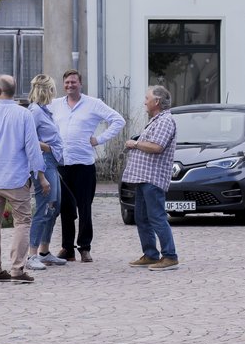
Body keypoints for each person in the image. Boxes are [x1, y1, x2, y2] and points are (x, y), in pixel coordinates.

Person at [0, 74, 50, 283]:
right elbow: (33, 149)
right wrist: (40, 176)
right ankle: (17, 268)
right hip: (16, 178)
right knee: (23, 222)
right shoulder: (23, 115)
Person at [48, 69, 126, 263]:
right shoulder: (55, 105)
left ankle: (84, 247)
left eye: (73, 82)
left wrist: (99, 139)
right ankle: (67, 248)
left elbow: (118, 120)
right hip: (62, 163)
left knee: (84, 207)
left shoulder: (93, 104)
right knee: (65, 207)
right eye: (67, 83)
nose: (70, 85)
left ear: (80, 84)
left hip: (84, 163)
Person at [123, 85, 180, 271]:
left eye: (147, 98)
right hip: (143, 177)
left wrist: (136, 144)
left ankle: (170, 256)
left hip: (153, 178)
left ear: (156, 101)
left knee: (156, 217)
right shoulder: (156, 120)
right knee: (141, 217)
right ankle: (150, 254)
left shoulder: (165, 121)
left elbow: (157, 147)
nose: (145, 102)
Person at [24, 74, 66, 270]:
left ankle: (44, 251)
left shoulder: (43, 111)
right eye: (52, 89)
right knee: (44, 207)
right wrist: (48, 150)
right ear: (46, 90)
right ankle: (32, 255)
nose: (54, 93)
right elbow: (28, 140)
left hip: (52, 163)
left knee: (54, 206)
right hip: (44, 163)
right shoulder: (34, 112)